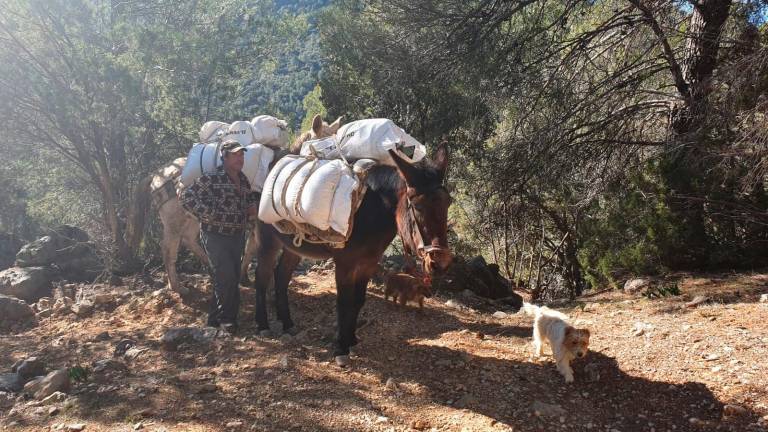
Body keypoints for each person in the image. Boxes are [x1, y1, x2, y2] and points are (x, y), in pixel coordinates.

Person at [181, 139, 258, 334]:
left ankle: (213, 320)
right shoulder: (212, 178)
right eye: (235, 155)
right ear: (224, 157)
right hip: (215, 236)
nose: (240, 158)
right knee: (227, 277)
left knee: (226, 277)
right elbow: (187, 197)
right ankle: (227, 320)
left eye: (242, 155)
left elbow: (249, 200)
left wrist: (252, 214)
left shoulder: (242, 179)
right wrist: (207, 213)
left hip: (237, 236)